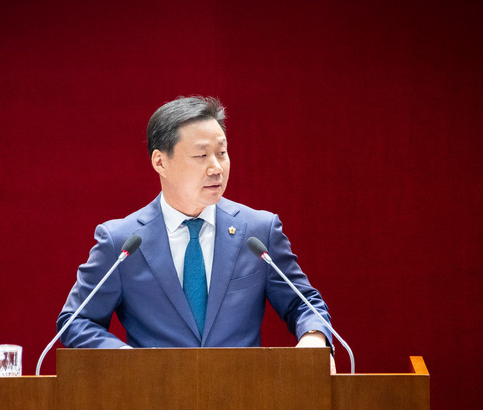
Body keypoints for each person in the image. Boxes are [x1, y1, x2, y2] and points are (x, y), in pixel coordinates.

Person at [57, 96, 335, 370]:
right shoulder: (122, 242)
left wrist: (314, 337)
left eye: (222, 153)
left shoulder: (258, 232)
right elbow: (76, 321)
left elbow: (304, 303)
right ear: (160, 162)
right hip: (153, 392)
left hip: (245, 392)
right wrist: (126, 359)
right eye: (201, 155)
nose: (216, 167)